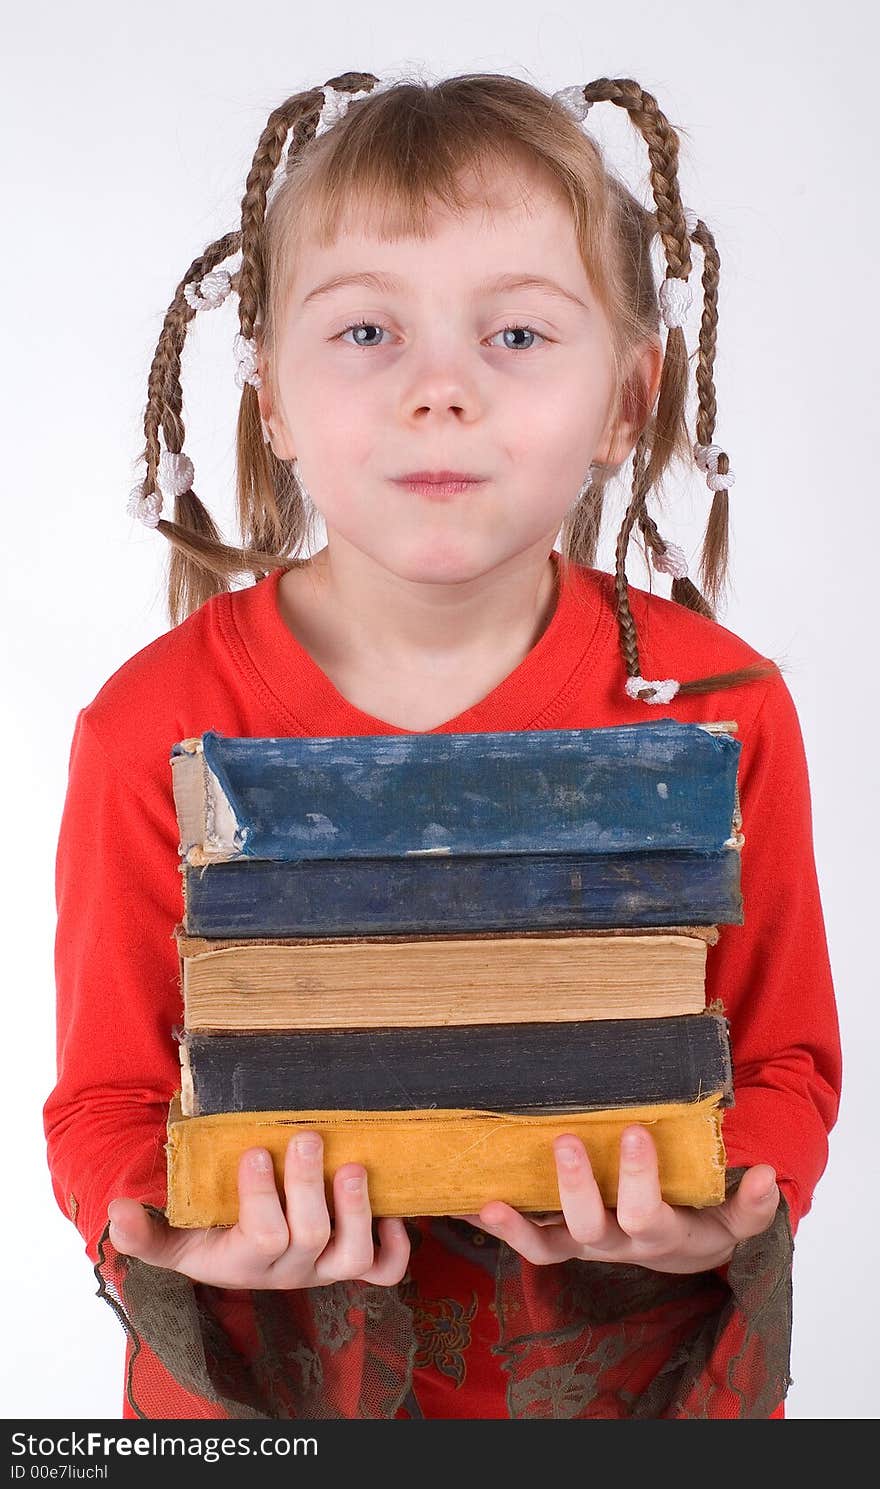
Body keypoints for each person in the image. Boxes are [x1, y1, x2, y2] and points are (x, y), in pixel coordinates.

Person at [43, 71, 841, 1420]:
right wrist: (173, 1231)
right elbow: (107, 1102)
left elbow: (782, 1068)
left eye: (518, 334)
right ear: (274, 400)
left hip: (628, 1371)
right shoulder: (151, 725)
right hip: (266, 1381)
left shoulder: (722, 700)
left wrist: (718, 1208)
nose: (439, 390)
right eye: (366, 329)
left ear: (625, 401)